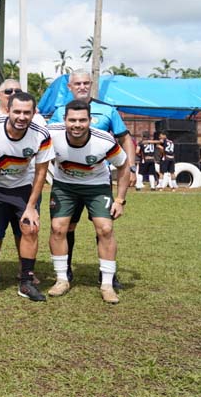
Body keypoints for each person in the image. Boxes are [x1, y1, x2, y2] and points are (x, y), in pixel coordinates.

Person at [48, 70, 134, 289]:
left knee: (104, 227)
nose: (82, 86)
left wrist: (130, 168)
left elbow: (124, 138)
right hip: (67, 181)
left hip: (97, 180)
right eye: (78, 83)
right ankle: (64, 272)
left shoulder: (108, 111)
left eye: (86, 83)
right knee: (64, 227)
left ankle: (107, 277)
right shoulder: (58, 113)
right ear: (69, 86)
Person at [0, 92, 53, 301]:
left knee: (30, 226)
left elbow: (41, 172)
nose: (21, 117)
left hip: (21, 188)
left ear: (34, 113)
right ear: (7, 110)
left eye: (27, 112)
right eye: (16, 111)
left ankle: (26, 281)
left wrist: (31, 206)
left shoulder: (41, 135)